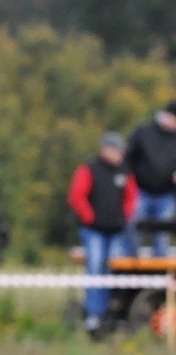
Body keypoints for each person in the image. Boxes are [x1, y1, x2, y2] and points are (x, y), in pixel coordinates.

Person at [68, 132, 139, 338]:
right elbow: (76, 196)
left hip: (117, 231)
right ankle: (93, 314)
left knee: (112, 272)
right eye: (117, 151)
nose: (120, 155)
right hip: (94, 231)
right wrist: (90, 218)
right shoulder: (89, 169)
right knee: (95, 269)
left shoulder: (125, 172)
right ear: (106, 150)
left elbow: (131, 198)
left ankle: (109, 312)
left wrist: (124, 217)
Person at [123, 102, 176, 256]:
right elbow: (128, 158)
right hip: (141, 191)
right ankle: (130, 263)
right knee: (133, 227)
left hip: (166, 194)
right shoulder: (144, 132)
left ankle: (159, 269)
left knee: (162, 234)